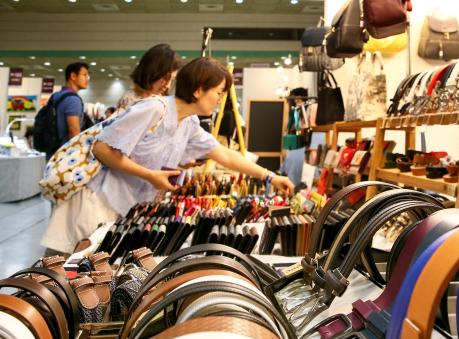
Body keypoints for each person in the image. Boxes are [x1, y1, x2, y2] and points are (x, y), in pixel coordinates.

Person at [40, 57, 294, 255]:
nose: (219, 100)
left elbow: (225, 155)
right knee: (64, 272)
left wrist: (270, 177)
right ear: (198, 90)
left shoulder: (189, 123)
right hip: (93, 201)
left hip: (120, 208)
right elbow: (102, 149)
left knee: (87, 276)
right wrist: (150, 175)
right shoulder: (154, 108)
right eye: (218, 92)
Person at [117, 43, 181, 110]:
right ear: (151, 72)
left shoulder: (161, 98)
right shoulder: (131, 100)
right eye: (165, 78)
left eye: (172, 79)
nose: (167, 85)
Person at [50, 62, 90, 144]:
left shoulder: (57, 96)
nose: (87, 78)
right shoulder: (73, 99)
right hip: (65, 152)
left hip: (53, 151)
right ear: (73, 76)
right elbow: (74, 131)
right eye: (84, 75)